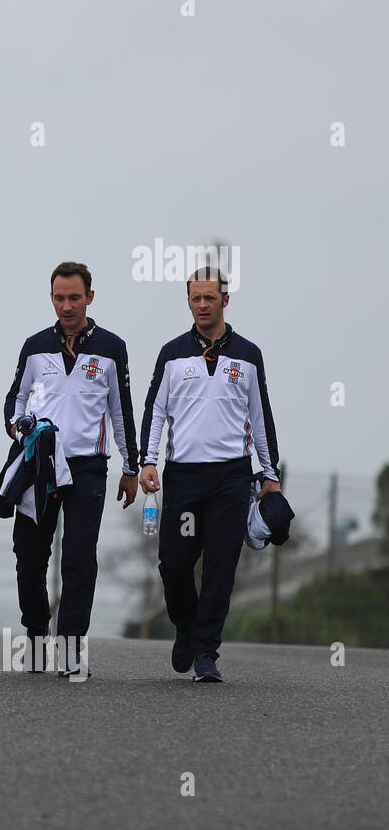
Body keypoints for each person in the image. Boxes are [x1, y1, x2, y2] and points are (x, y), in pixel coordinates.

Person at [139, 267, 281, 682]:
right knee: (175, 564)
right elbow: (155, 411)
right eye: (195, 298)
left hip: (230, 480)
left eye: (210, 297)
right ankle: (185, 626)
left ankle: (206, 654)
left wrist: (269, 475)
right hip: (183, 478)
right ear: (188, 301)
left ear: (225, 300)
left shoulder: (250, 355)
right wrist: (148, 462)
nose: (203, 304)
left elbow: (260, 416)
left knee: (220, 568)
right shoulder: (171, 353)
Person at [1, 262, 140, 675]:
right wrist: (18, 426)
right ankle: (37, 634)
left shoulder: (112, 348)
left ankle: (72, 647)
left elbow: (121, 412)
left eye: (74, 298)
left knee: (79, 559)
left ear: (90, 298)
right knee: (28, 557)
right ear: (51, 298)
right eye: (59, 298)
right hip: (39, 464)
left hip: (88, 468)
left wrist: (130, 468)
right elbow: (14, 400)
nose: (67, 306)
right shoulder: (34, 346)